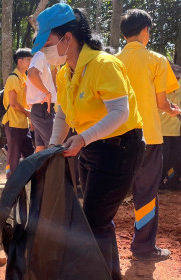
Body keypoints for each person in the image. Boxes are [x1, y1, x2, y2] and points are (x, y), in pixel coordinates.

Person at [32, 4, 144, 279]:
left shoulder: (103, 64)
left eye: (47, 43)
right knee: (96, 218)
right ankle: (108, 273)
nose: (44, 51)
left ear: (67, 38)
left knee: (94, 220)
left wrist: (82, 138)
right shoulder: (64, 72)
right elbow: (62, 114)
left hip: (120, 149)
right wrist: (53, 147)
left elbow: (120, 113)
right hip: (91, 148)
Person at [117, 9, 181, 261]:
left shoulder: (112, 61)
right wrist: (173, 110)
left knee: (111, 190)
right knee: (145, 192)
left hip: (117, 135)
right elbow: (162, 103)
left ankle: (100, 246)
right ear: (145, 30)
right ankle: (143, 247)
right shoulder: (157, 59)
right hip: (148, 136)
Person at [2, 48, 34, 178]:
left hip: (23, 123)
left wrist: (29, 118)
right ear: (19, 61)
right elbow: (13, 103)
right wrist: (28, 113)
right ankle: (11, 184)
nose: (30, 62)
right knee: (13, 157)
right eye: (28, 60)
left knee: (30, 155)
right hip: (13, 122)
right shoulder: (13, 78)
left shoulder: (25, 77)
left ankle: (28, 181)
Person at [26, 48, 57, 152]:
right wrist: (47, 93)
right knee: (55, 146)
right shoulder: (40, 55)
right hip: (43, 108)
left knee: (41, 149)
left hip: (39, 109)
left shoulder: (42, 58)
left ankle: (39, 169)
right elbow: (31, 74)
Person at [159, 64, 181, 190]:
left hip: (176, 131)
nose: (177, 80)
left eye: (178, 78)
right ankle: (160, 183)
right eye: (174, 78)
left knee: (175, 159)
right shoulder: (160, 87)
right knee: (162, 159)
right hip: (162, 131)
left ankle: (173, 182)